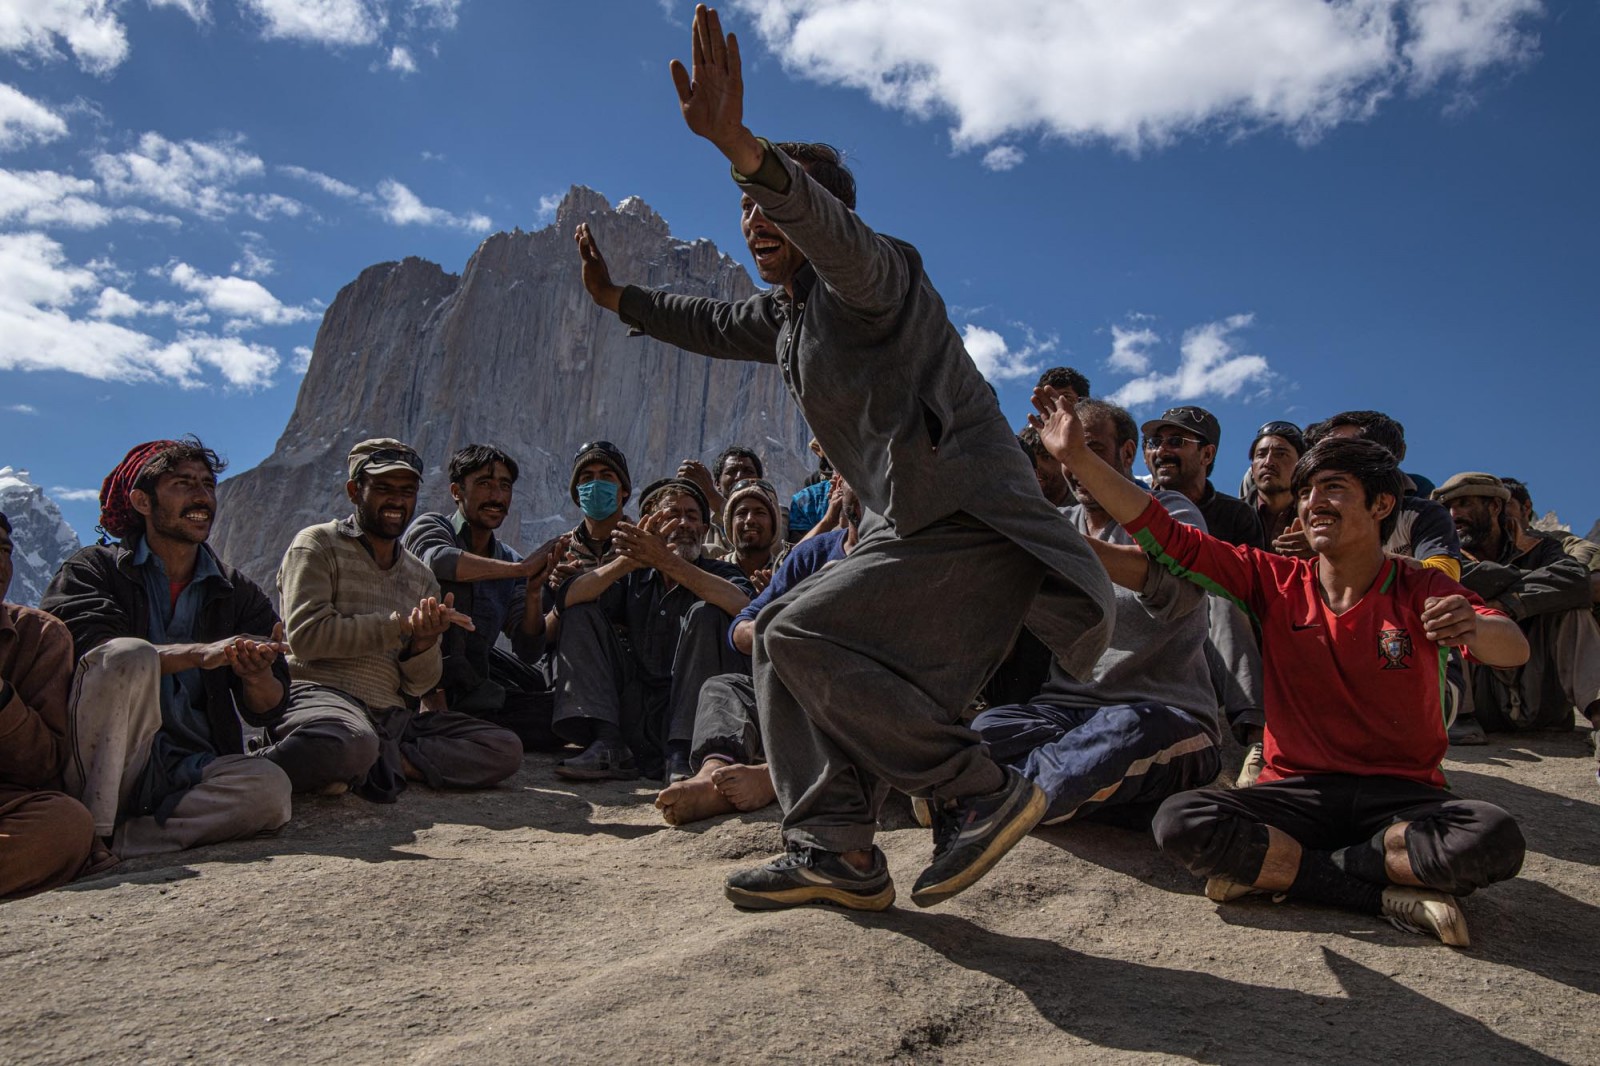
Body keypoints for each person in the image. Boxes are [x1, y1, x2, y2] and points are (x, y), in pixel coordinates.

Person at [573, 4, 1112, 912]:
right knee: (784, 646)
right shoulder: (786, 317)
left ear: (823, 214)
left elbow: (830, 233)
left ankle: (973, 791)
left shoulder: (876, 274)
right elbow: (706, 323)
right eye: (744, 208)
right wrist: (617, 297)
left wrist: (744, 145)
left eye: (772, 202)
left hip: (973, 523)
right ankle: (837, 851)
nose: (755, 219)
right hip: (917, 534)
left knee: (790, 630)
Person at [1036, 388, 1529, 945]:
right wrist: (1077, 458)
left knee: (1493, 837)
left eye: (1334, 489)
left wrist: (1475, 625)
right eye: (1307, 492)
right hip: (1293, 792)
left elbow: (1512, 646)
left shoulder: (1422, 586)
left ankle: (1292, 870)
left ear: (1381, 505)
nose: (1314, 503)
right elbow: (1168, 536)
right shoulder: (1271, 579)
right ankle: (1372, 890)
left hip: (1401, 796)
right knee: (1182, 823)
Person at [973, 399, 1222, 826]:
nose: (1073, 467)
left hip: (1161, 712)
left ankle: (989, 802)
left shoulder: (1172, 510)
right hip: (1061, 712)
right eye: (1063, 454)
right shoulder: (1058, 520)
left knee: (1124, 734)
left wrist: (1067, 548)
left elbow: (1176, 592)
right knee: (981, 733)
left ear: (1126, 454)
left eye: (1088, 450)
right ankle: (1016, 791)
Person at [41, 439, 293, 856]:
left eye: (207, 485)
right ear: (142, 501)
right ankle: (94, 826)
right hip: (108, 765)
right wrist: (200, 654)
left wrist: (256, 673)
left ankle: (117, 842)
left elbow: (267, 708)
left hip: (189, 767)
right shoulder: (92, 570)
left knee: (269, 790)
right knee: (127, 656)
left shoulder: (236, 591)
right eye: (183, 483)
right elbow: (92, 657)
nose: (201, 497)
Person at [262, 438, 524, 802]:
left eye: (407, 491)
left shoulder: (419, 576)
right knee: (349, 742)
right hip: (321, 697)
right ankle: (307, 763)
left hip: (390, 716)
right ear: (355, 491)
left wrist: (422, 643)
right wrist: (399, 626)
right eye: (383, 489)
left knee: (503, 747)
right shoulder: (318, 544)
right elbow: (307, 638)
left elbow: (420, 684)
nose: (396, 502)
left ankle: (378, 763)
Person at [656, 480, 863, 827]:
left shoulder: (902, 559)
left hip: (855, 692)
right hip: (793, 686)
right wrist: (777, 630)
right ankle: (713, 774)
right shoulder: (811, 555)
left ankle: (772, 776)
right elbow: (743, 624)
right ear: (843, 496)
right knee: (724, 688)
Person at [551, 476, 753, 783]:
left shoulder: (722, 573)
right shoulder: (635, 577)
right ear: (650, 525)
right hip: (637, 710)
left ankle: (685, 753)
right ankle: (607, 745)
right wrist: (628, 562)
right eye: (672, 515)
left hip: (695, 715)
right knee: (582, 613)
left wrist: (668, 562)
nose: (683, 523)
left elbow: (743, 607)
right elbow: (569, 599)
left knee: (707, 613)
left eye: (692, 516)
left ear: (703, 529)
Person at [401, 444, 566, 749]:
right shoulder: (431, 527)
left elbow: (528, 648)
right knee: (449, 592)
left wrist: (532, 592)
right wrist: (520, 569)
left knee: (563, 716)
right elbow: (438, 560)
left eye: (504, 486)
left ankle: (463, 722)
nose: (496, 496)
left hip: (474, 679)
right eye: (484, 484)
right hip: (420, 675)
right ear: (456, 491)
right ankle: (432, 711)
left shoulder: (508, 560)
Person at [1435, 473, 1600, 753]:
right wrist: (1534, 585)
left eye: (1464, 503)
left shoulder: (1542, 545)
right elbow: (1461, 580)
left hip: (1542, 696)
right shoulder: (1448, 555)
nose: (1455, 514)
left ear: (1494, 507)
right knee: (1450, 606)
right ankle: (1459, 715)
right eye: (1449, 507)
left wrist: (1509, 603)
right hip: (1480, 698)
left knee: (1572, 610)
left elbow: (1576, 581)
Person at [0, 511, 104, 897]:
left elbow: (43, 764)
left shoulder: (38, 636)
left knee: (65, 825)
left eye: (5, 550)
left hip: (9, 807)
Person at [677, 444, 764, 550]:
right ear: (718, 484)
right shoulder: (704, 524)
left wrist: (711, 495)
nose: (739, 477)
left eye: (748, 471)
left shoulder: (776, 513)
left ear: (760, 482)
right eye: (731, 471)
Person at [717, 476, 788, 591]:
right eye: (742, 513)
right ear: (730, 524)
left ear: (774, 525)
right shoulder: (714, 572)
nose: (750, 520)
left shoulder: (786, 574)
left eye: (760, 513)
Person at [1246, 421, 1305, 548]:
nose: (1268, 462)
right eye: (1261, 455)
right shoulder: (1229, 517)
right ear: (1252, 468)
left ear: (1301, 466)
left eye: (1281, 454)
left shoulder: (1314, 515)